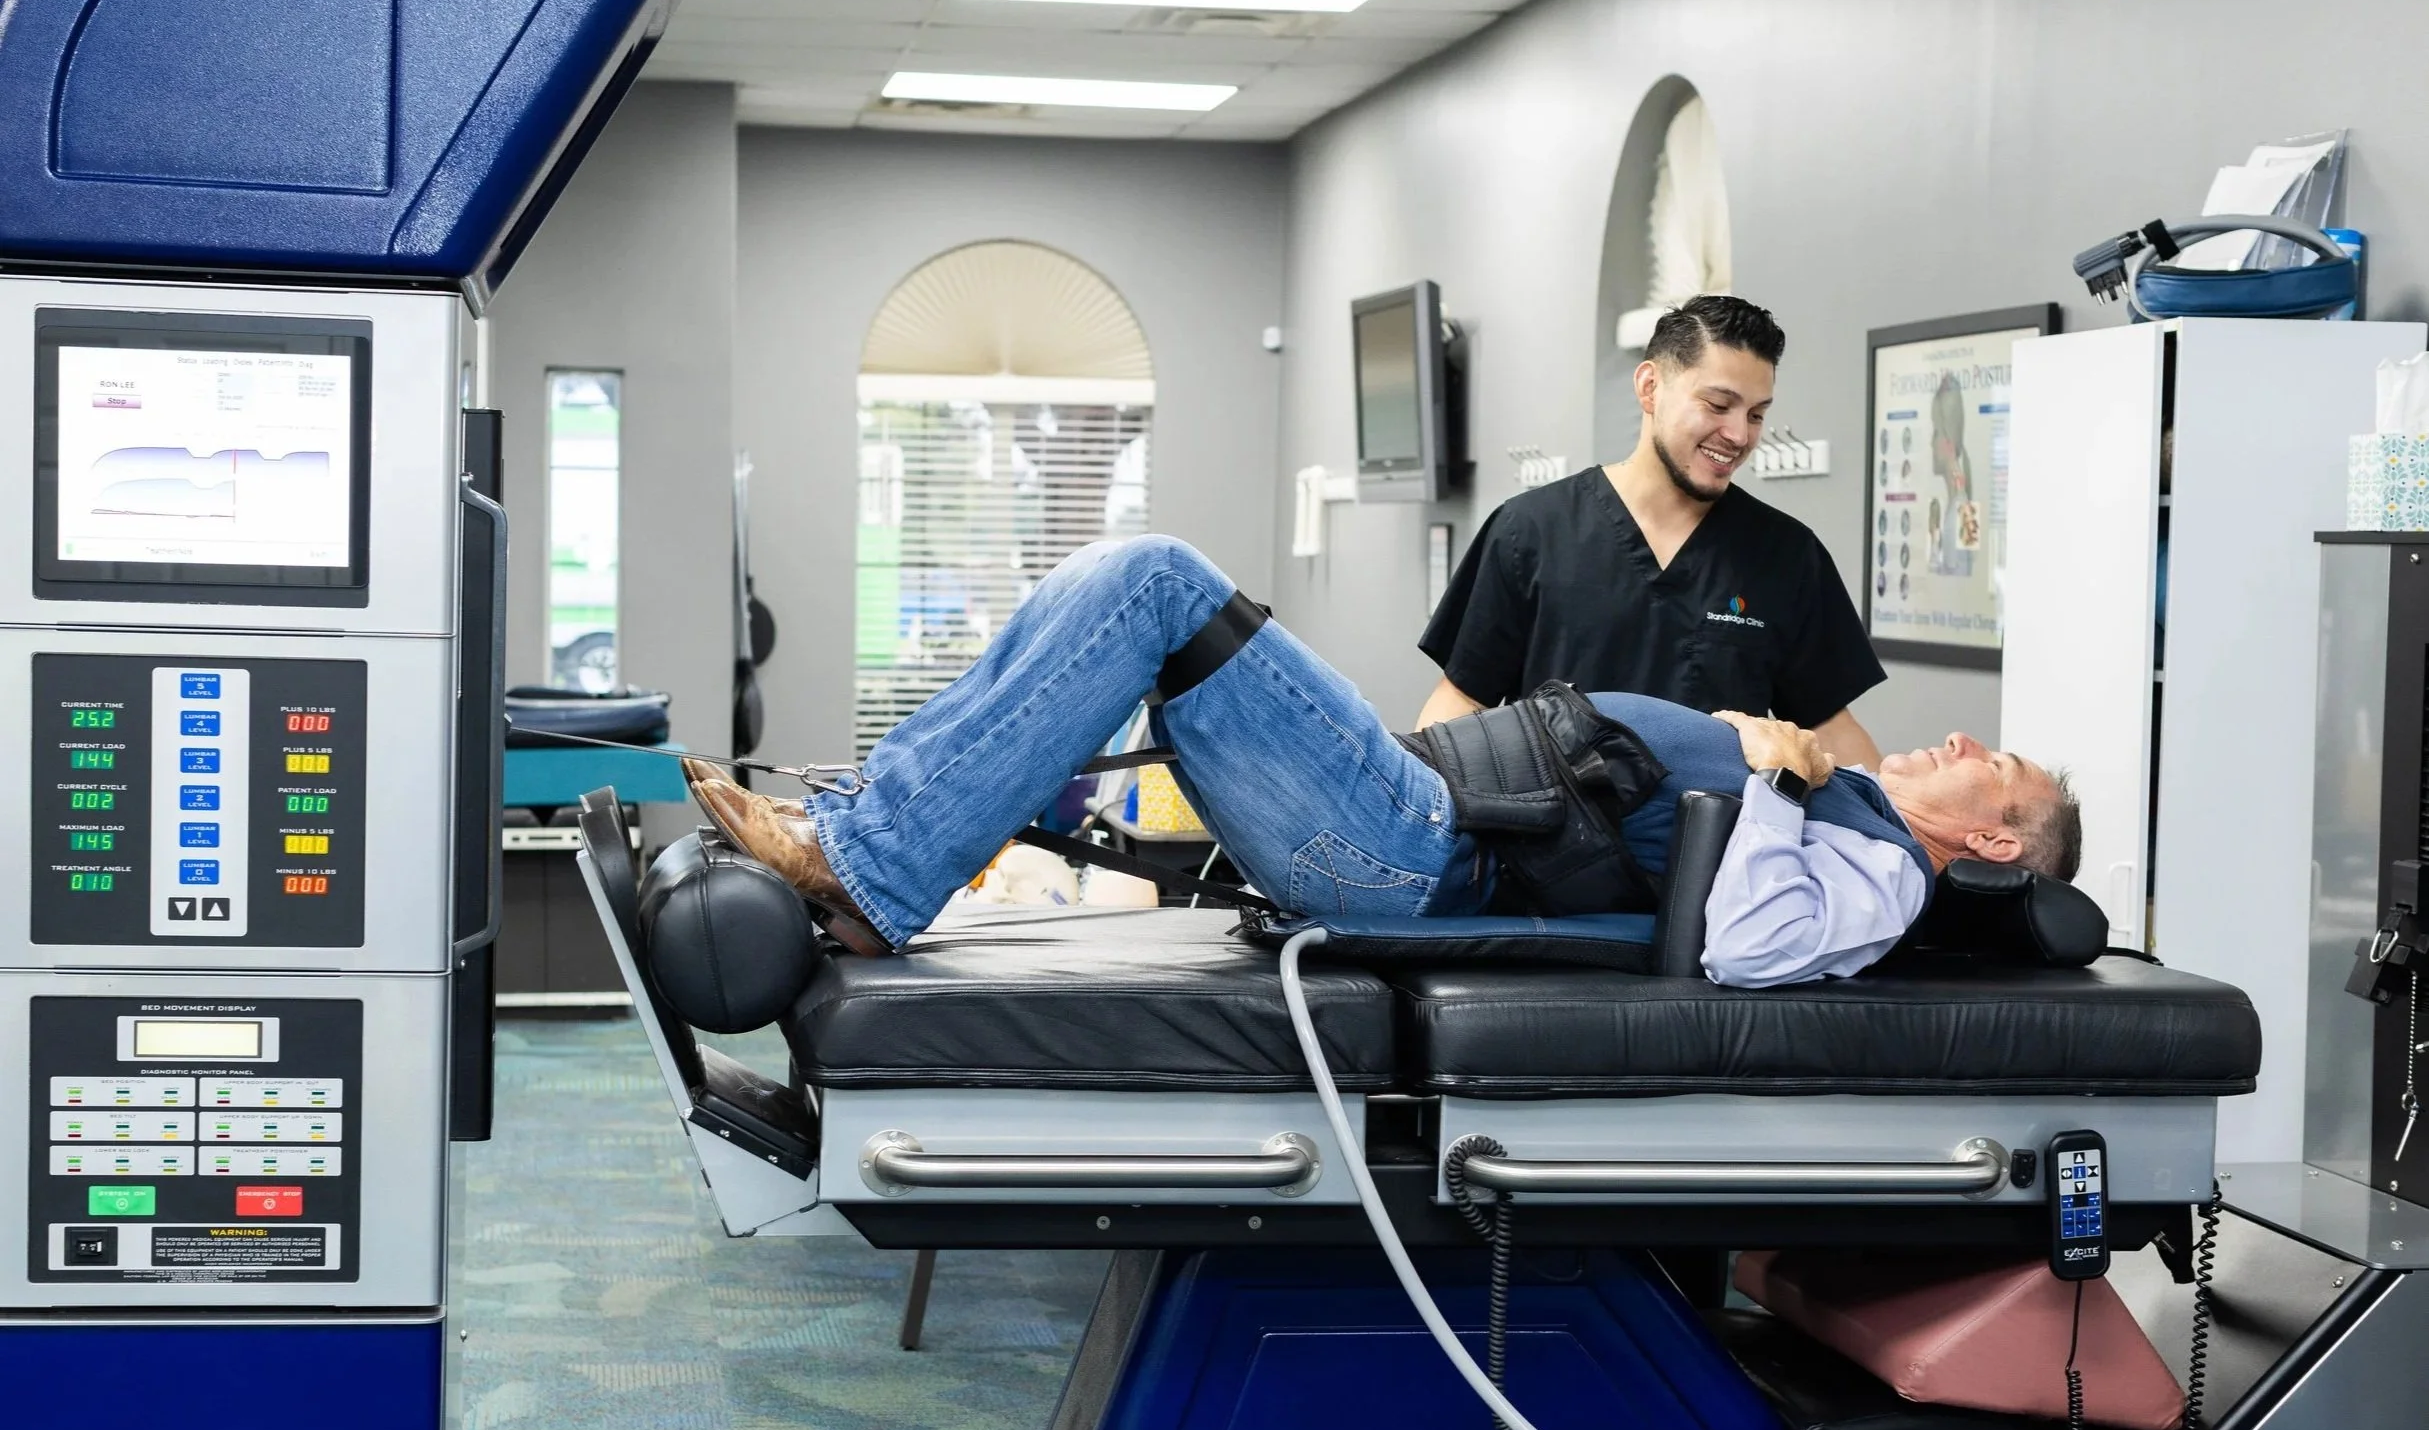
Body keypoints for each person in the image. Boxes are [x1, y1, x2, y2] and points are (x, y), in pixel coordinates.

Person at [687, 535, 2076, 989]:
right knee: (1151, 606)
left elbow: (1748, 944)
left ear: (1995, 843)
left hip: (1410, 851)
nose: (1957, 739)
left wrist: (1771, 772)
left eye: (1989, 764)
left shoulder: (1877, 879)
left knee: (1160, 581)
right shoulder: (1854, 809)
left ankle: (868, 858)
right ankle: (877, 838)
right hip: (1414, 800)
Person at [1417, 296, 1887, 772]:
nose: (1739, 435)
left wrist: (1897, 834)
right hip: (1557, 838)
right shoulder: (1530, 531)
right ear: (1649, 387)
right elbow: (1462, 698)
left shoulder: (1786, 555)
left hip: (1720, 842)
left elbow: (1830, 726)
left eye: (1756, 414)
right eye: (1718, 404)